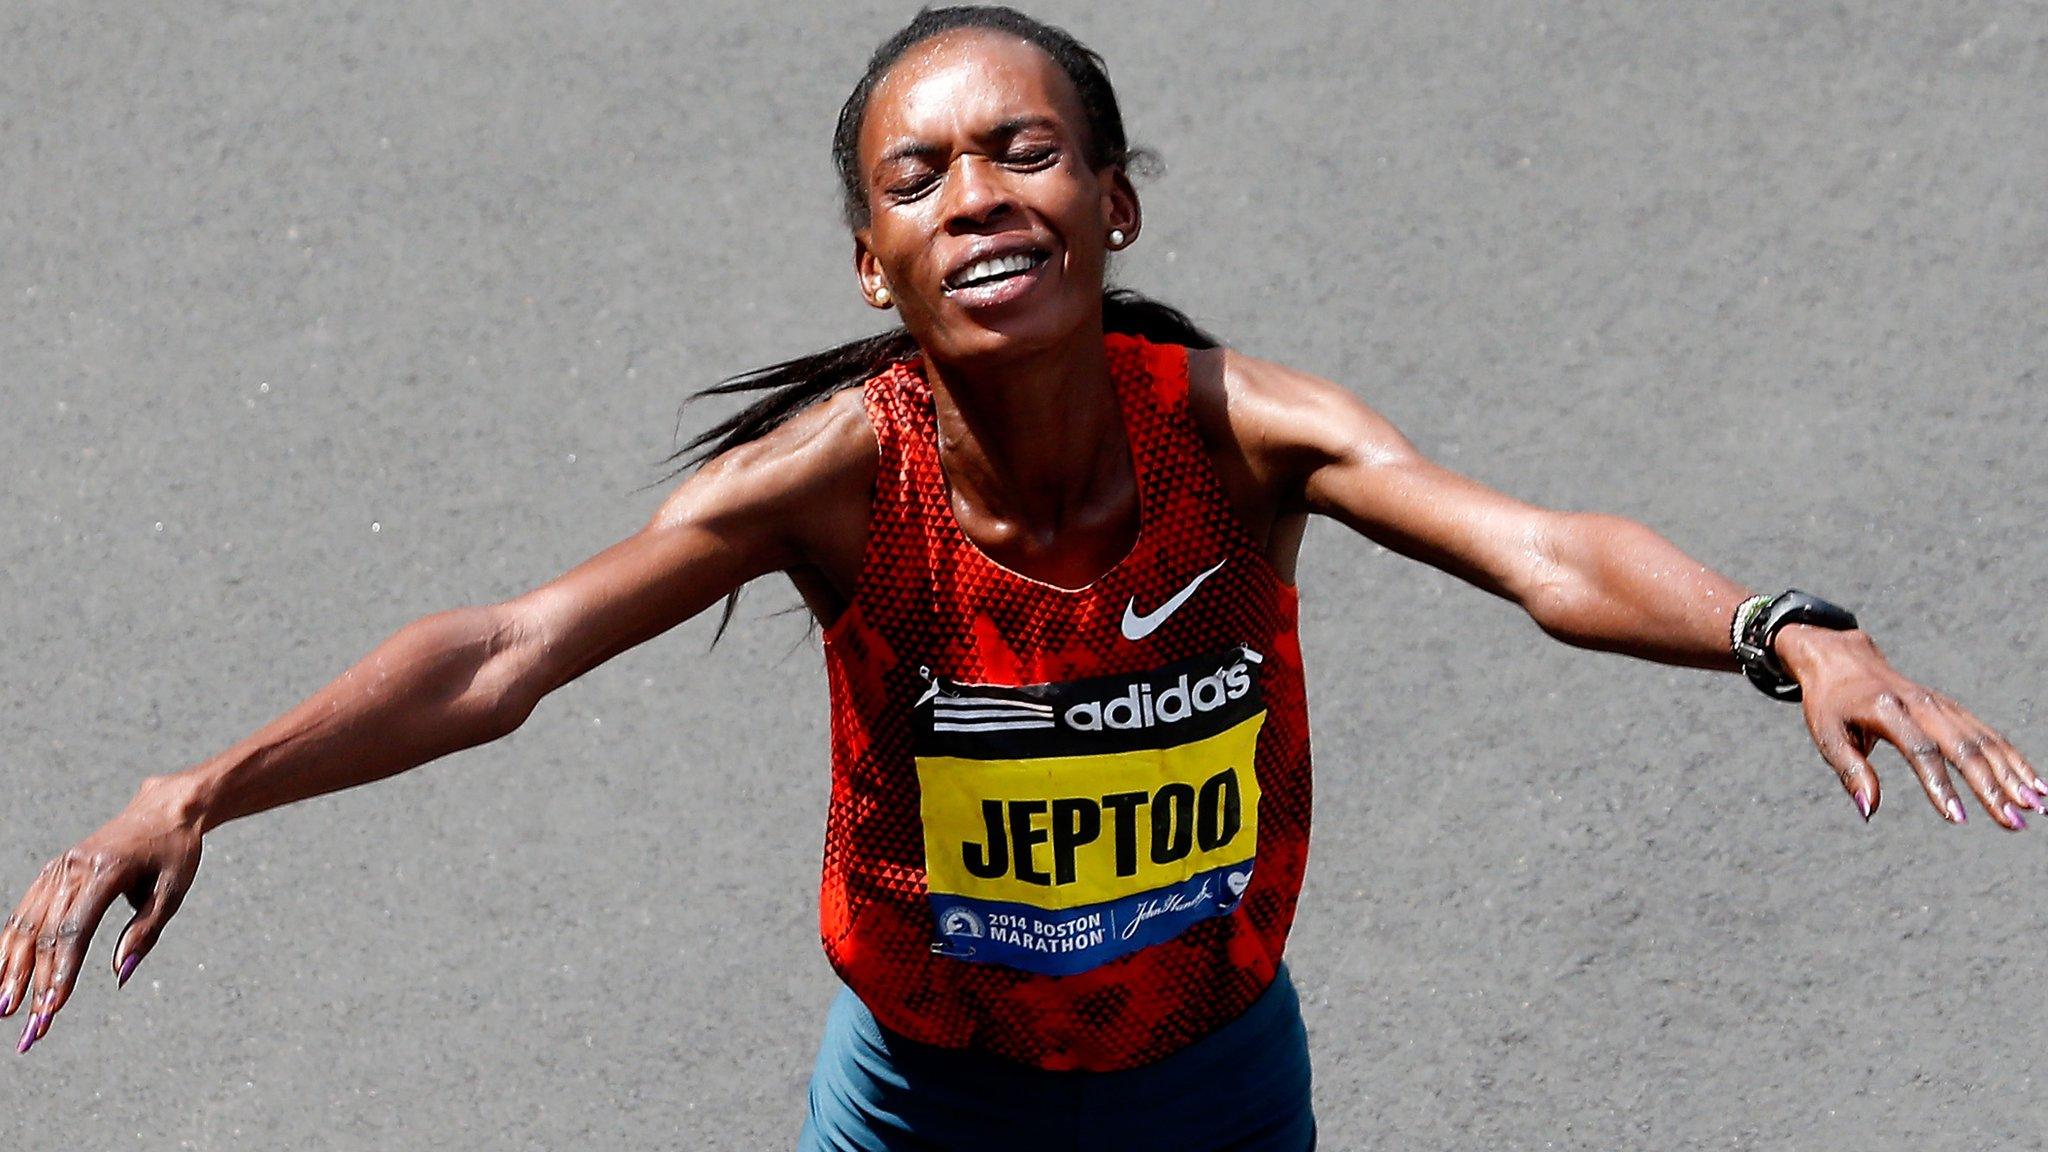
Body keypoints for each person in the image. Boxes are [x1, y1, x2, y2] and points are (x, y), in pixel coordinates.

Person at [1, 5, 2034, 1149]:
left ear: (1112, 199)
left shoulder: (1241, 430)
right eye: (918, 177)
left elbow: (1541, 552)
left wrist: (1782, 630)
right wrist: (206, 784)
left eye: (1027, 152)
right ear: (871, 265)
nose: (978, 192)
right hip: (923, 1106)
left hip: (1214, 1089)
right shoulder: (830, 483)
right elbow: (507, 650)